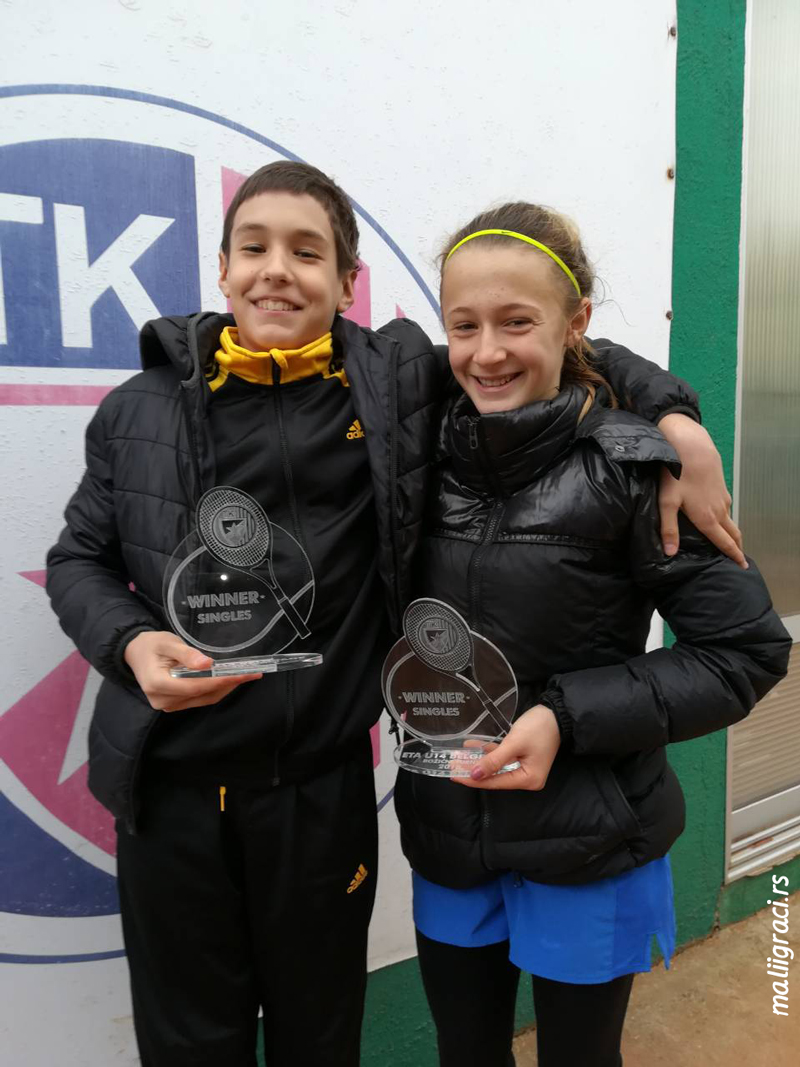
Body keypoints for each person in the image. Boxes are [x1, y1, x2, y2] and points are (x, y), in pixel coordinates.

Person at [46, 164, 746, 1067]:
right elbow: (78, 560)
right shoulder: (134, 409)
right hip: (170, 792)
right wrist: (130, 639)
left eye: (308, 252)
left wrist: (677, 418)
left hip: (319, 789)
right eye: (254, 247)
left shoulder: (391, 384)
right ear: (221, 268)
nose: (277, 271)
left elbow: (539, 347)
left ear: (348, 283)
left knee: (321, 1037)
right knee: (188, 1043)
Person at [389, 203, 792, 1067]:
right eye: (464, 323)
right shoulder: (413, 445)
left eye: (517, 321)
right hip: (450, 825)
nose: (486, 351)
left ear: (577, 323)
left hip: (590, 836)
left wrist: (565, 718)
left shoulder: (635, 467)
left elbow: (748, 652)